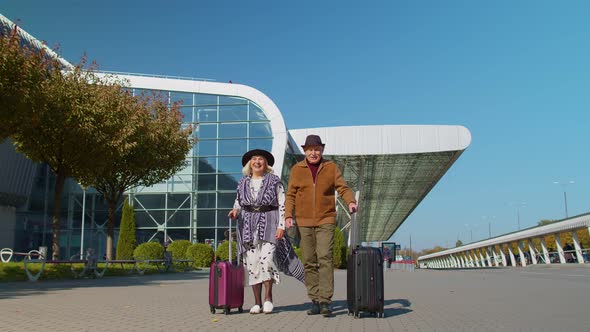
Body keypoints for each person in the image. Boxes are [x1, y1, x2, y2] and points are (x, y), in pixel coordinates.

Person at [285, 135, 357, 317]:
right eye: (310, 149)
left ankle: (325, 300)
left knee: (325, 257)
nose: (313, 152)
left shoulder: (331, 167)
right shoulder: (297, 169)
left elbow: (343, 187)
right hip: (304, 220)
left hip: (326, 219)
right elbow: (290, 195)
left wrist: (350, 201)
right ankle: (314, 299)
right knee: (309, 260)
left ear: (322, 150)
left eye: (317, 149)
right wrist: (288, 215)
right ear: (305, 151)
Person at [228, 149, 304, 315]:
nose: (257, 162)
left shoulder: (274, 181)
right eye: (254, 159)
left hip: (269, 224)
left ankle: (268, 298)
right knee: (253, 265)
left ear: (265, 163)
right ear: (249, 164)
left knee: (266, 260)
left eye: (260, 159)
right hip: (247, 227)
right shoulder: (242, 183)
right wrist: (235, 211)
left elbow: (282, 204)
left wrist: (281, 226)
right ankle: (256, 303)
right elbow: (238, 202)